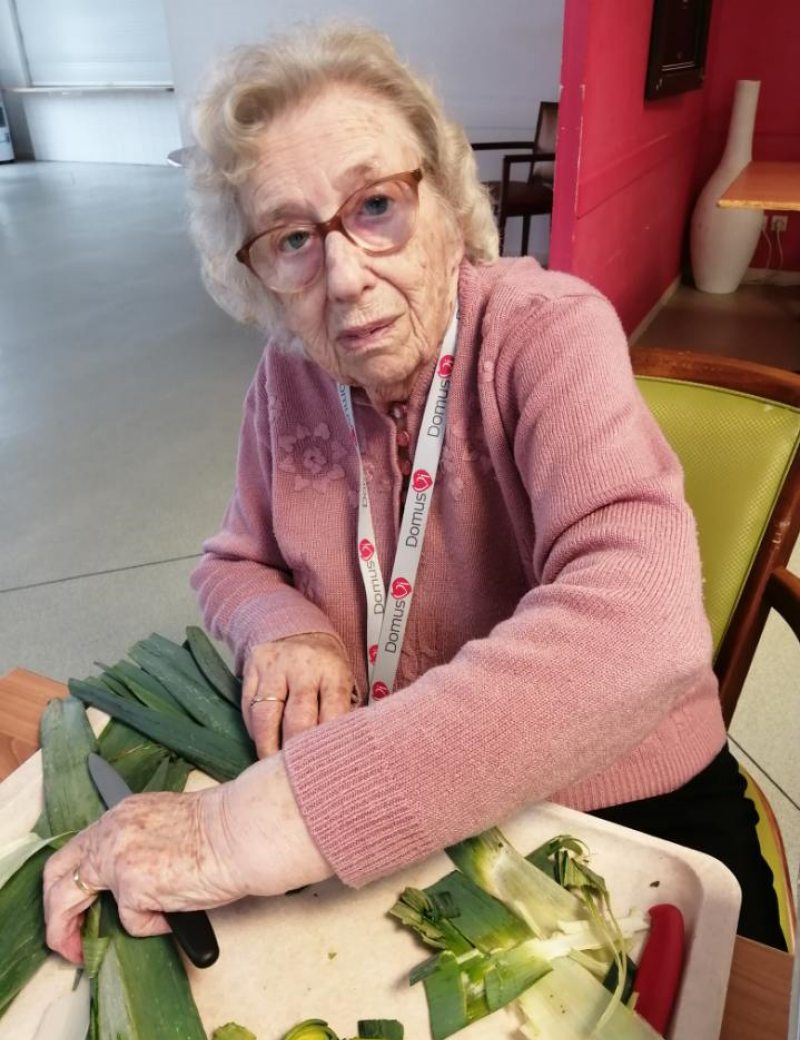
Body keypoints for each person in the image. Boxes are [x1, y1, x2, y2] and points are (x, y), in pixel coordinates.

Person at [43, 24, 785, 960]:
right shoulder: (289, 379)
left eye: (379, 205)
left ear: (445, 196)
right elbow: (233, 560)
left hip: (623, 806)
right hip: (411, 812)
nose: (347, 278)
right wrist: (287, 624)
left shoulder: (546, 334)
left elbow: (644, 629)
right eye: (294, 239)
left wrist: (243, 830)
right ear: (259, 276)